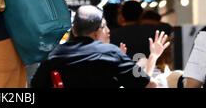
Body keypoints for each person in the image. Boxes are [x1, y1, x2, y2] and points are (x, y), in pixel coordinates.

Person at [31, 5, 170, 88]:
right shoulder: (111, 53)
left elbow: (35, 85)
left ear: (74, 31)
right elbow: (148, 85)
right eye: (105, 27)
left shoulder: (54, 54)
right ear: (98, 31)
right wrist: (153, 56)